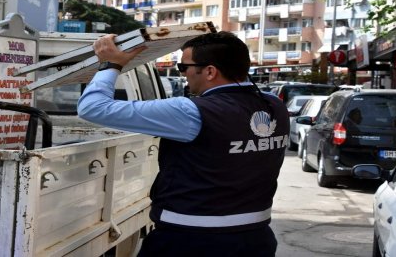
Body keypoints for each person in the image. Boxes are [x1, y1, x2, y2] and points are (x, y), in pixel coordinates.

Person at [77, 31, 290, 256]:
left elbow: (93, 108)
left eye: (183, 67)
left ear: (209, 71)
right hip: (256, 239)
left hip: (191, 240)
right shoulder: (274, 105)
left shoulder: (191, 111)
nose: (184, 74)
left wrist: (111, 65)